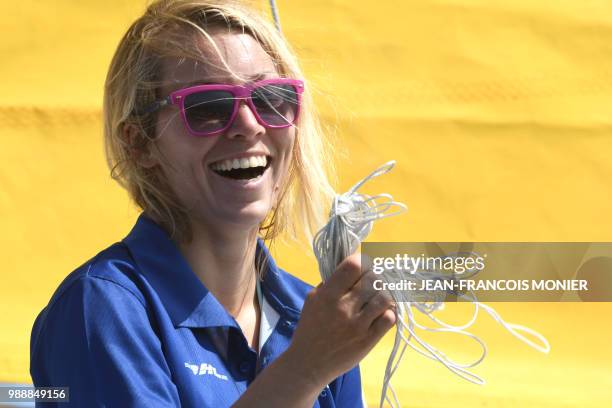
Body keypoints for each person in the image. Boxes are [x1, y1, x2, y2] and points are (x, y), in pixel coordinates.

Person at [30, 0, 396, 406]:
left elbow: (470, 272)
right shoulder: (101, 307)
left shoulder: (311, 314)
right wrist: (306, 369)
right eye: (207, 107)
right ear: (139, 143)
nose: (249, 125)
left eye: (271, 98)